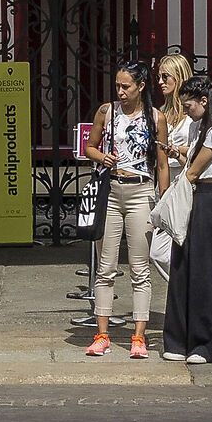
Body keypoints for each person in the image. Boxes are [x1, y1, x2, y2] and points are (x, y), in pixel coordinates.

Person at [85, 60, 159, 360]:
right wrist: (102, 157)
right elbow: (89, 146)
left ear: (141, 86)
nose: (120, 91)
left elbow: (162, 162)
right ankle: (101, 334)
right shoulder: (107, 112)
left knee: (140, 269)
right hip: (112, 190)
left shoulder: (155, 117)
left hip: (141, 190)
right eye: (117, 85)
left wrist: (162, 200)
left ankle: (138, 336)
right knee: (105, 267)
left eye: (125, 86)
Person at [162, 75, 212, 365]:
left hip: (209, 197)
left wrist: (171, 199)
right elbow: (191, 164)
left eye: (189, 105)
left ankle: (203, 344)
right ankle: (177, 339)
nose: (186, 111)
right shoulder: (197, 127)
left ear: (204, 101)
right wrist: (178, 155)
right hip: (194, 192)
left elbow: (195, 171)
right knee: (182, 267)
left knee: (206, 271)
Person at [155, 51, 194, 156]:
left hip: (187, 169)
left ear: (179, 77)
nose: (160, 82)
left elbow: (204, 149)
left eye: (165, 77)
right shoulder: (162, 111)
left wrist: (176, 148)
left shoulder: (196, 110)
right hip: (165, 169)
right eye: (158, 77)